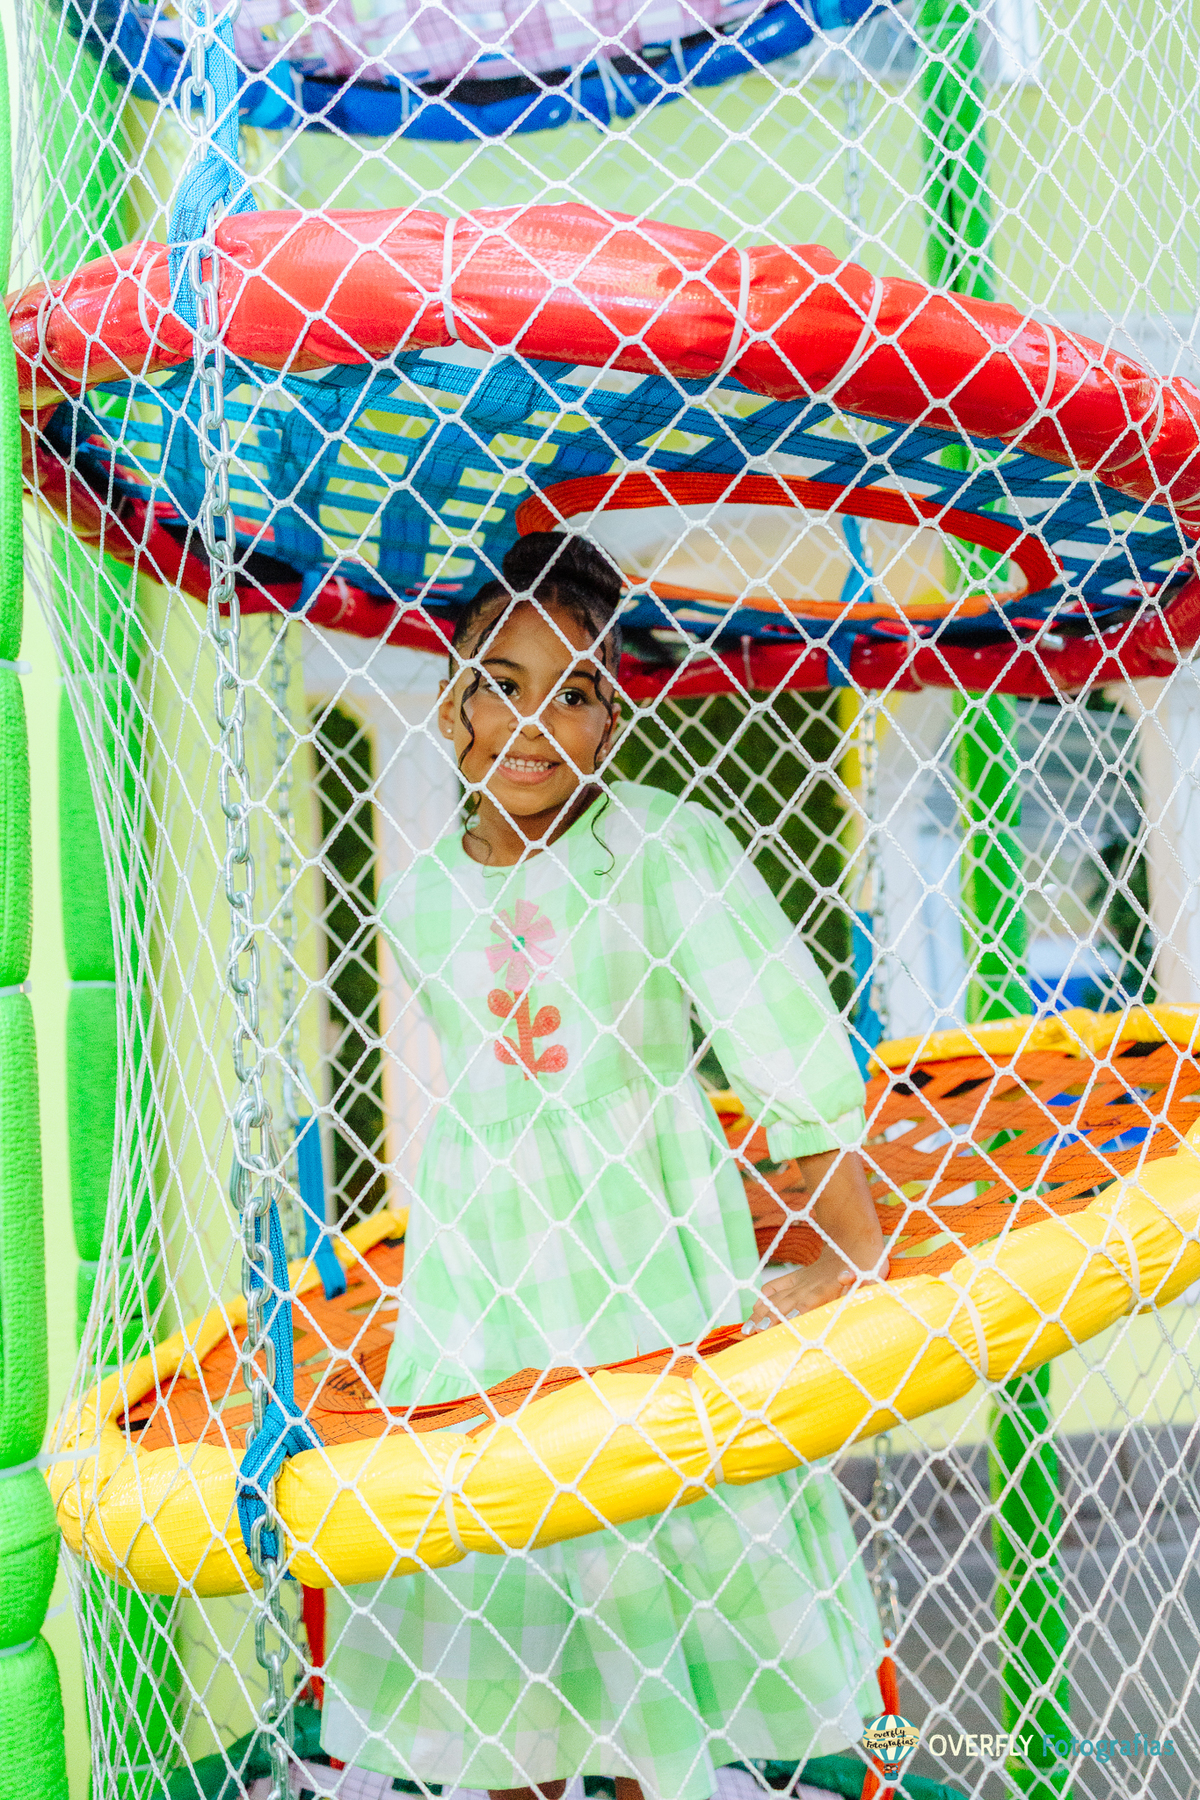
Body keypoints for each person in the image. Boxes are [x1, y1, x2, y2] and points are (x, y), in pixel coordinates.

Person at [321, 532, 888, 1800]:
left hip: (641, 1273)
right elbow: (486, 1112)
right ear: (449, 699)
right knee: (508, 1618)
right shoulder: (414, 902)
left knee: (647, 1623)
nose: (535, 720)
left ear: (613, 722)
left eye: (575, 691)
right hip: (486, 1290)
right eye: (503, 682)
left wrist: (844, 1243)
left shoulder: (662, 848)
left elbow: (779, 1031)